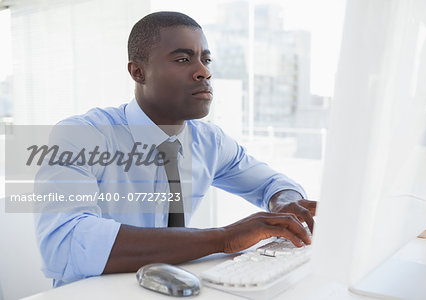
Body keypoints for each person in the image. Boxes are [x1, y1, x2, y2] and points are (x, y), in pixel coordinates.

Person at [34, 11, 317, 287]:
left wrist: (285, 202)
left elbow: (273, 183)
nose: (204, 72)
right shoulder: (81, 135)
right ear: (138, 72)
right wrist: (224, 237)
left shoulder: (210, 142)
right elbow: (66, 243)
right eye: (183, 59)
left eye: (206, 60)